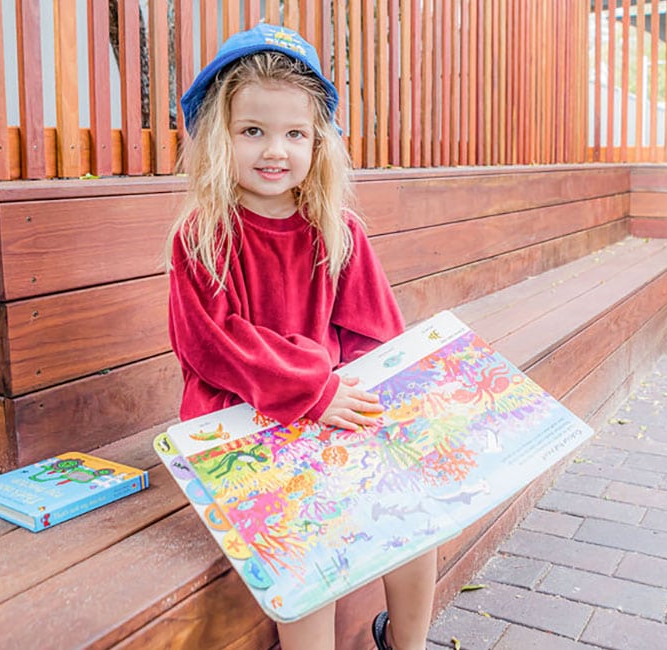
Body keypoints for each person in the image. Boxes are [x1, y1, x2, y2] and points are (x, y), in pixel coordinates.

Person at [165, 23, 435, 650]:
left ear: (319, 142)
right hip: (238, 424)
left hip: (326, 415)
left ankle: (407, 643)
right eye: (252, 131)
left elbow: (375, 337)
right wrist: (312, 382)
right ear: (218, 138)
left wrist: (350, 395)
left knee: (416, 515)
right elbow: (212, 343)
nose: (274, 150)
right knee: (307, 550)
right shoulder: (204, 235)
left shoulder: (337, 231)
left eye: (294, 133)